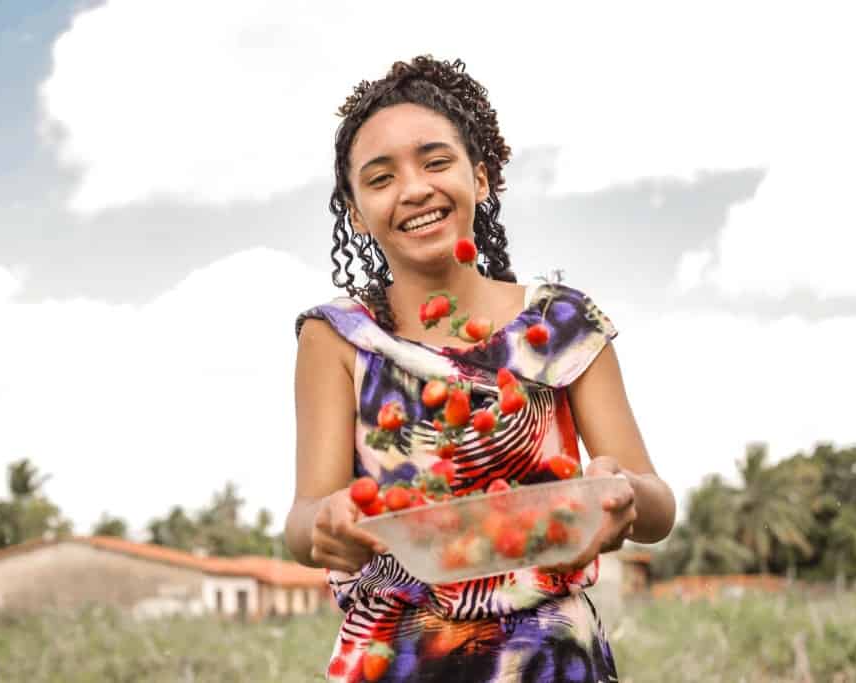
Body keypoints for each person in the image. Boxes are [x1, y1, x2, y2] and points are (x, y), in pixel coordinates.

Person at [285, 55, 676, 682]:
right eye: (380, 178)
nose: (414, 189)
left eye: (436, 162)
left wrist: (621, 493)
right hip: (396, 659)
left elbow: (657, 506)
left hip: (548, 658)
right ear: (356, 213)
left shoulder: (562, 325)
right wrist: (326, 526)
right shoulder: (336, 338)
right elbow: (304, 518)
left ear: (483, 178)